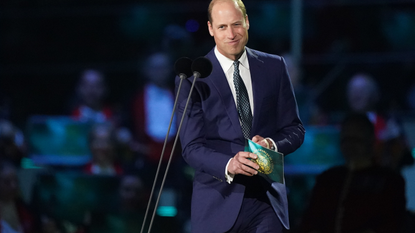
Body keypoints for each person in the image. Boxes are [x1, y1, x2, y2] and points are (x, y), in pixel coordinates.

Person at [175, 0, 305, 232]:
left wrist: (271, 144)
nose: (231, 34)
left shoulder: (274, 67)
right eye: (223, 27)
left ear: (247, 22)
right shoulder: (194, 77)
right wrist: (229, 164)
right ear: (210, 28)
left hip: (267, 200)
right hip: (217, 201)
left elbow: (295, 129)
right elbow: (191, 147)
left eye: (236, 24)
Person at [299, 113, 407, 233]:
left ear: (369, 139)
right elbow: (310, 221)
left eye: (356, 138)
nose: (350, 144)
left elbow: (392, 223)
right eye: (346, 138)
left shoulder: (389, 181)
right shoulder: (328, 178)